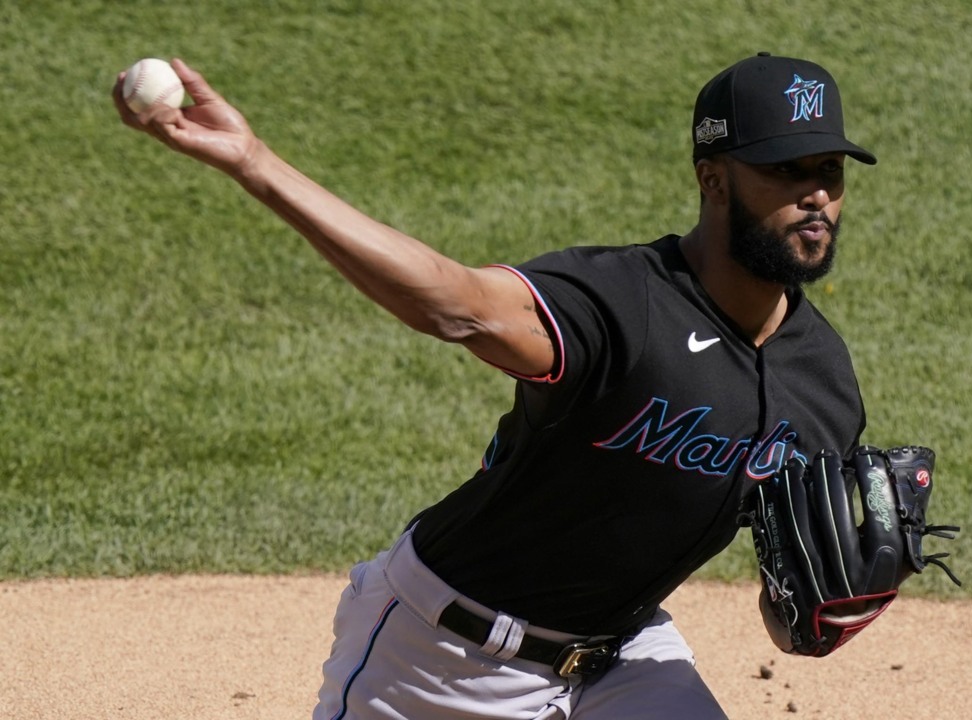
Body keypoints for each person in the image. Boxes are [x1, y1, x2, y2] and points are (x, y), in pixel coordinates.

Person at [115, 50, 878, 719]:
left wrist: (831, 601)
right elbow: (453, 305)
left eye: (828, 171)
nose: (815, 194)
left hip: (620, 658)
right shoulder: (622, 304)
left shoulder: (826, 384)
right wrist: (255, 163)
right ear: (713, 180)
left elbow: (794, 579)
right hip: (443, 655)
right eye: (784, 170)